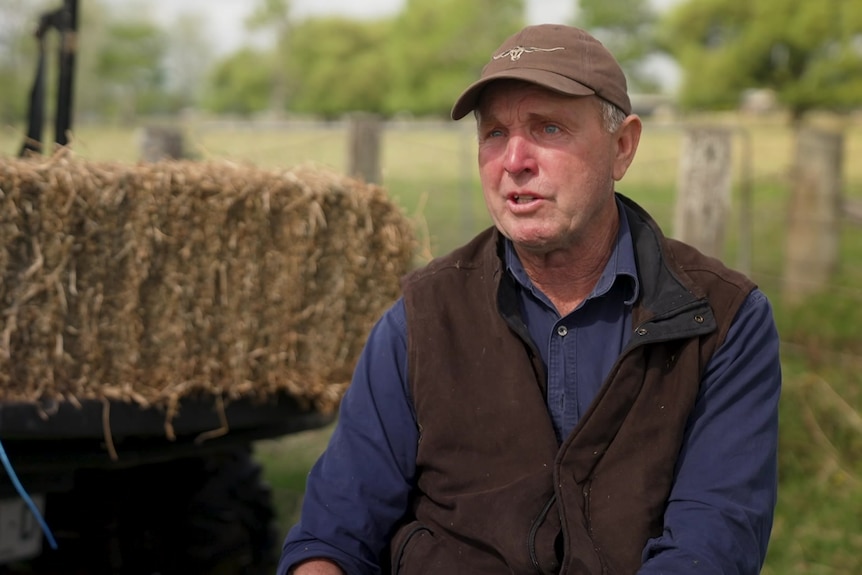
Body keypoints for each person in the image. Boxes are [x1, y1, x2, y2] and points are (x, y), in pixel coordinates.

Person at [277, 23, 781, 575]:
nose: (514, 159)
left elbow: (711, 545)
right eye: (494, 133)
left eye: (548, 128)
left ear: (622, 147)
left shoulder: (722, 321)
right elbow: (331, 538)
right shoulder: (422, 319)